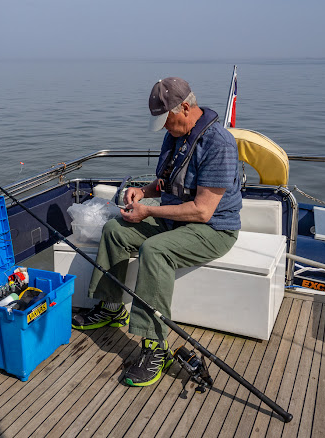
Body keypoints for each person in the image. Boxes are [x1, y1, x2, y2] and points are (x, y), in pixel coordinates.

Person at [72, 77, 242, 387]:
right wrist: (143, 192)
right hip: (174, 218)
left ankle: (155, 348)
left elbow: (203, 210)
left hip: (213, 229)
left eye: (167, 120)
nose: (165, 128)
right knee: (115, 229)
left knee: (155, 250)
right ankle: (111, 307)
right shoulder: (176, 135)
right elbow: (165, 183)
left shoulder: (219, 143)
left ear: (186, 107)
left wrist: (149, 210)